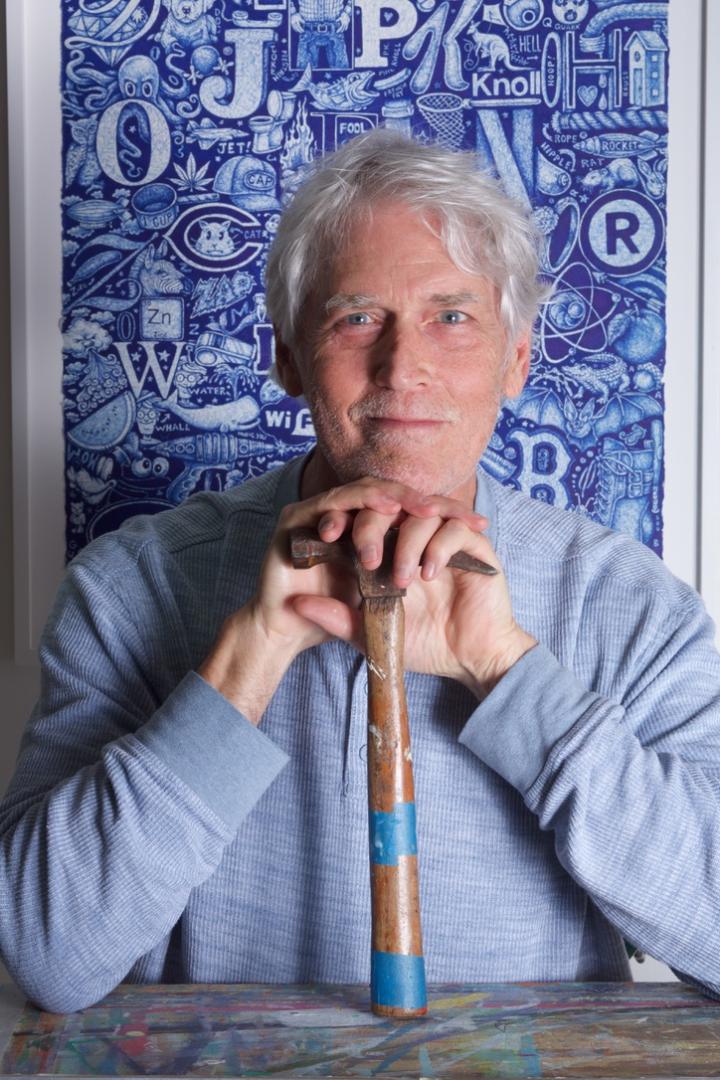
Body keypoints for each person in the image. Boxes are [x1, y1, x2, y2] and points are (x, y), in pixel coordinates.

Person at [2, 129, 720, 1014]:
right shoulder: (125, 590)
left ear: (518, 360)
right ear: (290, 359)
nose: (402, 365)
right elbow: (46, 953)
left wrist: (510, 673)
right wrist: (247, 662)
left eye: (452, 317)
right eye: (356, 318)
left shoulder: (632, 607)